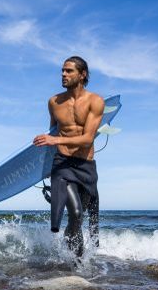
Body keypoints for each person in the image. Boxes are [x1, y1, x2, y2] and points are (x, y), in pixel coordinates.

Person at [33, 56, 105, 257]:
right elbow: (53, 132)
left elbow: (87, 139)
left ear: (82, 75)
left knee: (78, 219)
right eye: (62, 71)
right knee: (75, 213)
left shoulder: (95, 101)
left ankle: (74, 256)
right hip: (62, 164)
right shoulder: (54, 102)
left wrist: (54, 141)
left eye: (69, 71)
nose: (64, 74)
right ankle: (77, 264)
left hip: (86, 165)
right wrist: (46, 167)